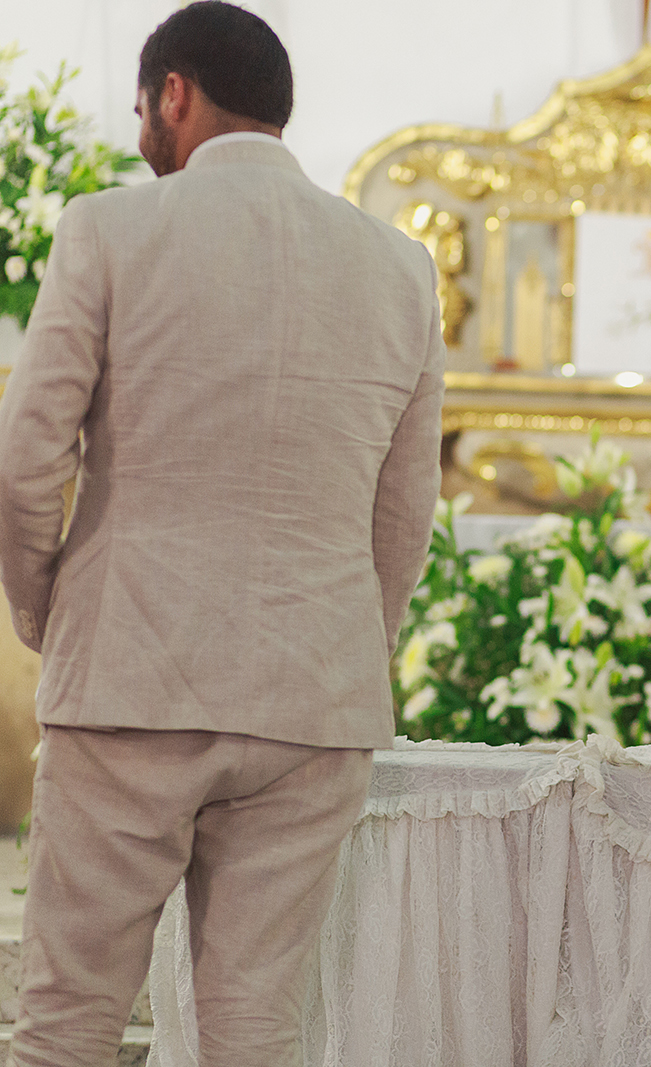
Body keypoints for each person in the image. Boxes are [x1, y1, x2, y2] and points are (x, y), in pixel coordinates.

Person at [0, 5, 445, 1065]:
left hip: (131, 675)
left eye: (143, 105)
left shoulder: (108, 229)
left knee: (67, 1021)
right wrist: (346, 638)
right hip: (314, 696)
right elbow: (404, 510)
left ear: (175, 94)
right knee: (255, 1030)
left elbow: (26, 462)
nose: (143, 128)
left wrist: (47, 615)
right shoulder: (400, 266)